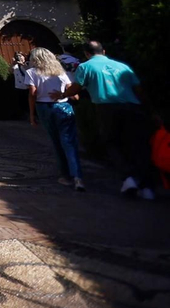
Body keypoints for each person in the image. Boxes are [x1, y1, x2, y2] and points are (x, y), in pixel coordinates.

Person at [67, 40, 155, 200]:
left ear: (86, 53)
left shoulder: (85, 67)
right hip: (132, 107)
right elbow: (139, 90)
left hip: (107, 108)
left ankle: (128, 178)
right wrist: (148, 109)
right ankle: (146, 186)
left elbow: (76, 87)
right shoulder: (122, 66)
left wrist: (62, 94)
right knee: (137, 145)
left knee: (112, 142)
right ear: (104, 51)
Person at [26, 48, 83, 191]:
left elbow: (32, 94)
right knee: (69, 141)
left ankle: (65, 175)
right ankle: (77, 176)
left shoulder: (32, 72)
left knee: (56, 141)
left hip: (44, 107)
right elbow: (73, 93)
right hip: (63, 106)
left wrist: (32, 115)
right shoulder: (60, 72)